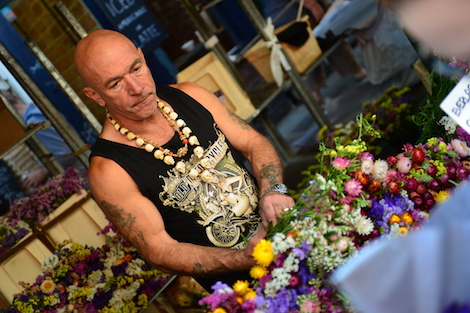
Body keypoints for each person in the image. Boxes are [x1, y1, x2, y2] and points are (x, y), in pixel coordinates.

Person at [74, 29, 295, 290]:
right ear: (95, 96)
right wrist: (241, 259)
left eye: (136, 68)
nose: (137, 88)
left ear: (143, 58)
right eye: (115, 84)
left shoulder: (191, 95)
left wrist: (273, 191)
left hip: (290, 235)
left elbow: (253, 143)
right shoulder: (109, 170)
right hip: (243, 291)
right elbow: (159, 250)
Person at [259, 0, 367, 104]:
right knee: (328, 37)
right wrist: (315, 7)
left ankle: (316, 96)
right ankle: (357, 72)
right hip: (296, 13)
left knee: (304, 53)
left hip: (276, 20)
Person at [2, 90, 86, 189]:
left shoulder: (34, 124)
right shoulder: (39, 108)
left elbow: (65, 153)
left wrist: (42, 172)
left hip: (85, 176)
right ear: (15, 95)